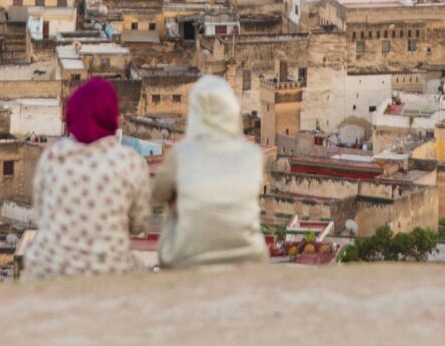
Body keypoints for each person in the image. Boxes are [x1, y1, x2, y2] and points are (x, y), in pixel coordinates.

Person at [25, 76, 149, 280]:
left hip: (48, 270)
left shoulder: (53, 156)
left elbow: (40, 212)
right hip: (110, 270)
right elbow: (139, 224)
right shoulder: (130, 162)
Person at [154, 74, 268, 270]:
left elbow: (158, 194)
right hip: (250, 255)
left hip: (186, 258)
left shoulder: (181, 153)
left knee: (172, 203)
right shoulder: (253, 154)